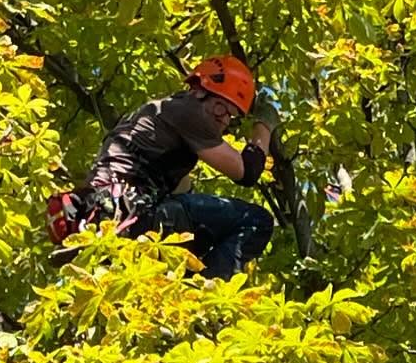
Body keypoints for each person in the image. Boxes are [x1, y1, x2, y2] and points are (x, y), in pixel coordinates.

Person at [73, 56, 280, 279]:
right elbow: (247, 172)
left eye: (232, 116)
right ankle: (207, 295)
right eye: (221, 108)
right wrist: (265, 125)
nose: (224, 120)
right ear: (200, 91)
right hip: (135, 214)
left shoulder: (157, 114)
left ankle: (187, 288)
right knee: (256, 220)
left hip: (109, 222)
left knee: (195, 249)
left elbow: (182, 190)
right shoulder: (189, 112)